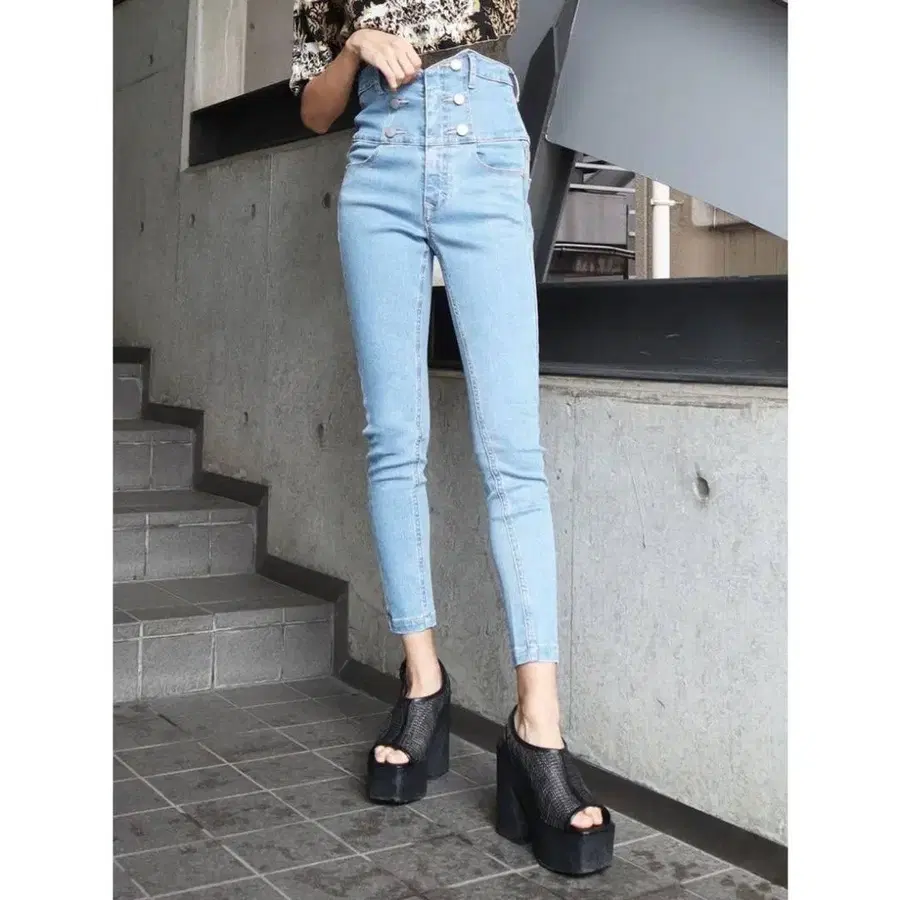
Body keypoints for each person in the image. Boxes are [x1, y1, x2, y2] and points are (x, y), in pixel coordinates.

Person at [291, 0, 615, 875]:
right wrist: (355, 45)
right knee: (394, 439)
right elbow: (315, 109)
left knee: (512, 452)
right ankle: (423, 684)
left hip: (482, 144)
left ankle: (537, 728)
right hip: (380, 159)